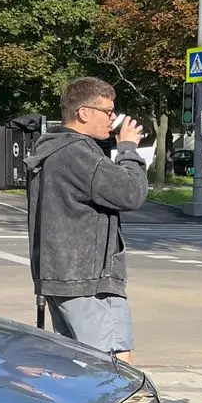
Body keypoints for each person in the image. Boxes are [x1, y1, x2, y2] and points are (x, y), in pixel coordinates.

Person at [23, 77, 150, 362]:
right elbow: (130, 193)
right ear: (83, 113)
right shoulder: (78, 154)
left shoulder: (51, 149)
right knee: (114, 365)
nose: (113, 118)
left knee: (76, 366)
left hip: (60, 277)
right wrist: (128, 149)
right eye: (108, 111)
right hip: (89, 281)